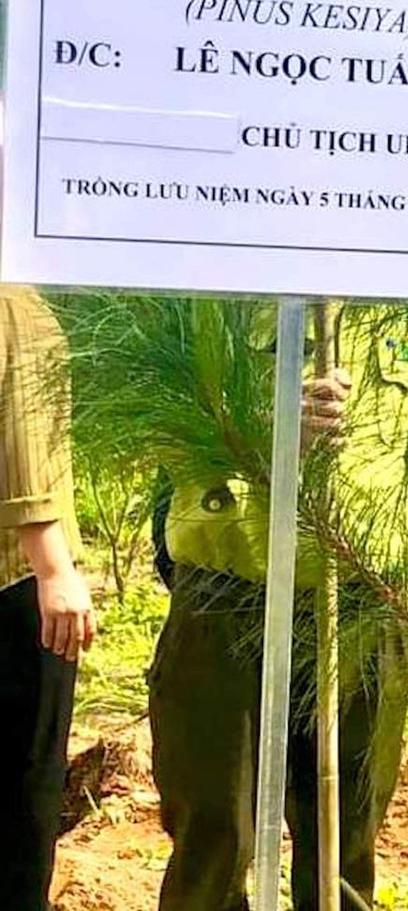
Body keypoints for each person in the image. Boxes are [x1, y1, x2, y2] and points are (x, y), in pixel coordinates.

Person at [148, 306, 408, 911]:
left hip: (367, 603)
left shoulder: (407, 307)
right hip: (231, 595)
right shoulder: (221, 294)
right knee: (216, 833)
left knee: (346, 836)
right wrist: (267, 432)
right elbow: (162, 422)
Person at [0, 284, 97, 911]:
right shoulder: (15, 300)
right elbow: (24, 429)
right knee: (24, 788)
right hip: (17, 582)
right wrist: (53, 565)